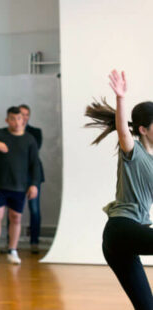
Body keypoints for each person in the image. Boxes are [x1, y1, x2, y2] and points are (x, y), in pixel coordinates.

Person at [86, 70, 153, 309]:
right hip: (121, 229)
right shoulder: (133, 151)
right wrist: (121, 98)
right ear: (143, 130)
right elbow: (124, 131)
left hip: (128, 240)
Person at [0, 107, 41, 265]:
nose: (16, 122)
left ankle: (12, 250)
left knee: (16, 218)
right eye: (13, 119)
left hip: (19, 187)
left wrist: (34, 185)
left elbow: (35, 165)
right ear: (7, 120)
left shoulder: (29, 139)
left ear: (23, 120)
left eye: (19, 119)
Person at [18, 104, 44, 254]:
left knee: (34, 209)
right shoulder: (9, 133)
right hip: (16, 175)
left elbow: (33, 150)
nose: (24, 117)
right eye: (21, 114)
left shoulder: (35, 132)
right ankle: (11, 242)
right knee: (15, 209)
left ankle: (34, 241)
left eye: (27, 114)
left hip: (33, 175)